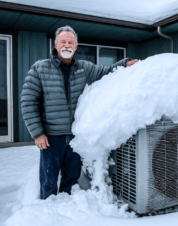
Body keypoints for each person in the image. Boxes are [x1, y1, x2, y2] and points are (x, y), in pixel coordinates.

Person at [20, 25, 138, 199]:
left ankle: (67, 208)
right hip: (52, 137)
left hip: (76, 136)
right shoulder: (40, 68)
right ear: (56, 45)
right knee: (48, 179)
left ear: (76, 47)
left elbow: (105, 72)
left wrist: (124, 64)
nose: (66, 45)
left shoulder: (84, 67)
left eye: (70, 42)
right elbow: (28, 102)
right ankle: (45, 210)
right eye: (63, 42)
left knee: (72, 178)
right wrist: (38, 133)